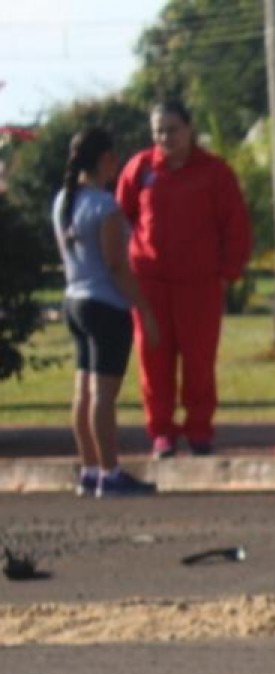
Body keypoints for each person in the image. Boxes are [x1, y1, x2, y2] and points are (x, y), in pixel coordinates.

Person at [114, 100, 252, 459]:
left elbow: (235, 228)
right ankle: (161, 432)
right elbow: (119, 220)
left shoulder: (215, 172)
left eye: (172, 129)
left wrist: (226, 277)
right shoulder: (140, 169)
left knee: (199, 362)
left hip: (200, 287)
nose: (165, 137)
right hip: (150, 287)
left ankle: (199, 430)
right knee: (153, 360)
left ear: (190, 129)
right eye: (158, 130)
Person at [51, 127, 160, 497]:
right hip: (104, 305)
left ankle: (90, 468)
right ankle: (110, 472)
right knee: (103, 395)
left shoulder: (63, 201)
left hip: (74, 299)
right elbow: (116, 266)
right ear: (104, 160)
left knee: (83, 391)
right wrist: (143, 308)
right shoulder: (104, 206)